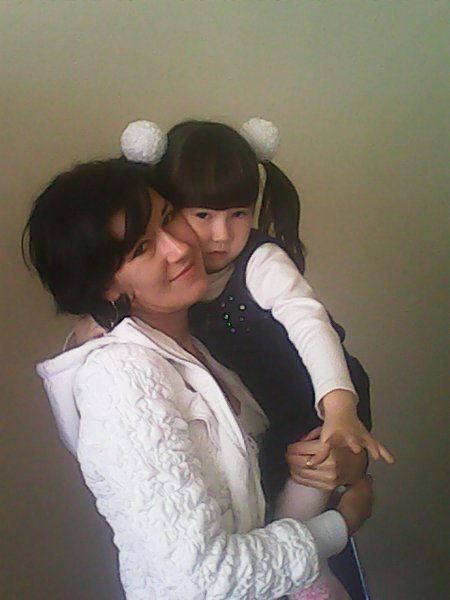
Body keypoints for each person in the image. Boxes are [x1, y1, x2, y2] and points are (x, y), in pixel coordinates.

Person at [23, 157, 373, 600]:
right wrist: (339, 525)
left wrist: (334, 468)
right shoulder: (120, 379)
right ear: (104, 288)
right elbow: (200, 579)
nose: (179, 247)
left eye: (169, 216)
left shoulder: (205, 349)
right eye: (142, 248)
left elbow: (257, 496)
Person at [151, 118, 394, 599]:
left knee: (297, 504)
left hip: (313, 403)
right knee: (271, 510)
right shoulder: (173, 279)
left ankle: (308, 580)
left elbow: (310, 322)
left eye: (238, 214)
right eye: (203, 215)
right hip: (266, 418)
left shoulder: (261, 262)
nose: (221, 234)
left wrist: (339, 406)